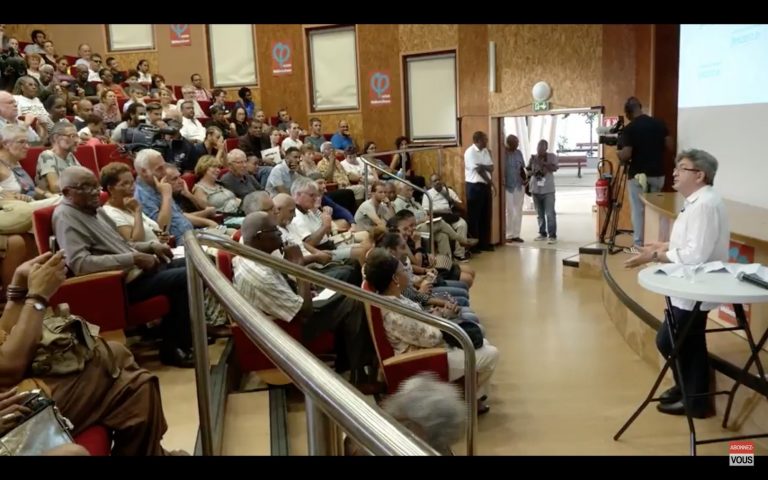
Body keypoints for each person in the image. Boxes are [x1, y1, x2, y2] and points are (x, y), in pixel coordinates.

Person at [0, 252, 187, 455]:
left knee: (135, 382)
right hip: (12, 402)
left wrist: (18, 287)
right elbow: (8, 370)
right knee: (119, 367)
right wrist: (37, 297)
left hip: (13, 391)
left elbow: (4, 337)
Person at [53, 166, 194, 368]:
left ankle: (187, 334)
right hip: (118, 285)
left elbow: (122, 244)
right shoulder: (65, 217)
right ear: (67, 192)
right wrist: (133, 258)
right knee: (185, 276)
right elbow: (81, 264)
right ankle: (174, 348)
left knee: (193, 264)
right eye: (87, 187)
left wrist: (150, 246)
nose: (96, 192)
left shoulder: (95, 209)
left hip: (137, 272)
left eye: (96, 186)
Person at [624, 149, 728, 419]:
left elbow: (696, 254)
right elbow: (690, 242)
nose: (674, 173)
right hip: (688, 284)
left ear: (700, 175)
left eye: (682, 168)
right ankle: (687, 390)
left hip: (697, 285)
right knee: (681, 340)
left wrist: (655, 256)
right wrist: (663, 246)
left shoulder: (705, 204)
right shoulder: (697, 201)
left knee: (674, 341)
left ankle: (695, 401)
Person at [364, 248, 497, 412]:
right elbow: (432, 338)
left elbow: (418, 321)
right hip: (421, 357)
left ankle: (472, 396)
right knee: (491, 354)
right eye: (403, 270)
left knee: (483, 343)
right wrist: (444, 316)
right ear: (395, 279)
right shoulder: (394, 312)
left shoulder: (395, 297)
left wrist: (436, 314)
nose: (407, 273)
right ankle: (470, 399)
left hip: (427, 345)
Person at [617, 96, 672, 249]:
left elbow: (627, 154)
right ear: (640, 107)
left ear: (628, 113)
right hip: (658, 174)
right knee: (657, 210)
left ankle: (639, 244)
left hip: (638, 176)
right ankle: (659, 243)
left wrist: (618, 154)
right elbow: (670, 145)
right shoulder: (659, 123)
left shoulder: (630, 129)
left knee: (638, 210)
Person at [463, 131, 494, 252]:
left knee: (486, 215)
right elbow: (478, 170)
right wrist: (490, 182)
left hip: (485, 186)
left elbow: (491, 167)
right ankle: (474, 246)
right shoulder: (470, 152)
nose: (487, 141)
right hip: (474, 186)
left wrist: (483, 166)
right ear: (477, 140)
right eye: (484, 139)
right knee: (474, 216)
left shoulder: (485, 151)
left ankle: (484, 244)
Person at [527, 139, 558, 244]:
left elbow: (554, 168)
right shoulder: (533, 158)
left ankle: (552, 235)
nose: (539, 150)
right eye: (538, 147)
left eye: (542, 148)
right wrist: (532, 172)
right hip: (535, 190)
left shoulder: (552, 156)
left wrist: (543, 163)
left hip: (548, 190)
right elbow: (528, 170)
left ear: (546, 148)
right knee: (540, 214)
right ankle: (542, 233)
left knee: (550, 213)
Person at [503, 134, 526, 243]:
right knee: (509, 210)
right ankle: (508, 235)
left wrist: (525, 179)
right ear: (509, 143)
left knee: (518, 210)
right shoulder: (503, 154)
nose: (517, 145)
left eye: (517, 143)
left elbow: (522, 168)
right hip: (507, 186)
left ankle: (516, 234)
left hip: (519, 185)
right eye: (515, 143)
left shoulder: (519, 153)